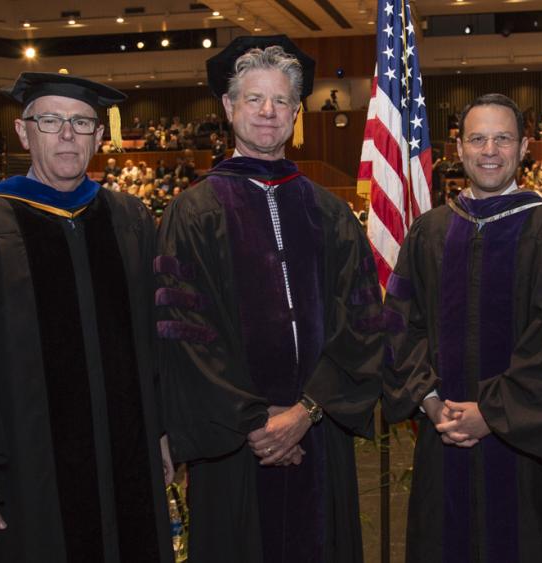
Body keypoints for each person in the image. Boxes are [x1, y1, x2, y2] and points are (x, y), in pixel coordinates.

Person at [0, 72, 174, 562]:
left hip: (129, 453)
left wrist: (163, 430)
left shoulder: (130, 220)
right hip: (24, 465)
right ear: (24, 132)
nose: (67, 134)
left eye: (81, 123)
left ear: (99, 137)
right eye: (50, 121)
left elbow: (157, 338)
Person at [155, 35, 382, 563]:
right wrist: (255, 421)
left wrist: (307, 409)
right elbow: (182, 333)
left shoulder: (329, 212)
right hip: (234, 443)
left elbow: (363, 320)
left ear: (296, 113)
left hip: (317, 430)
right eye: (254, 98)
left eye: (281, 100)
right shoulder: (192, 212)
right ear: (228, 106)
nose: (267, 111)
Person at [383, 93, 542, 563]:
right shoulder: (429, 232)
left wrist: (493, 413)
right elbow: (399, 327)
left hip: (525, 449)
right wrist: (430, 400)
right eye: (478, 139)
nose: (490, 151)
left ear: (524, 148)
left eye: (503, 139)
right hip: (444, 435)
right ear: (459, 148)